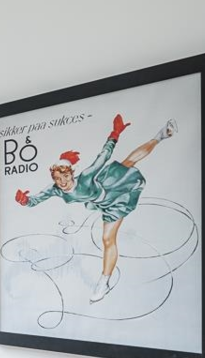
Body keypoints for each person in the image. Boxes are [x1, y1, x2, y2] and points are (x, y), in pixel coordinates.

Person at [16, 113, 177, 303]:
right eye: (58, 179)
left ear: (71, 174)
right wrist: (25, 201)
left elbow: (104, 155)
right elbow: (37, 199)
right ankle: (105, 281)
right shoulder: (57, 190)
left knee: (128, 163)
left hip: (113, 189)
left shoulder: (85, 176)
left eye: (65, 177)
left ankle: (160, 136)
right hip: (106, 204)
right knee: (108, 239)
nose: (62, 183)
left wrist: (115, 134)